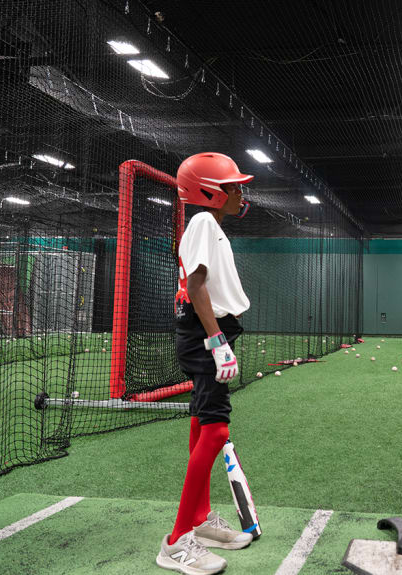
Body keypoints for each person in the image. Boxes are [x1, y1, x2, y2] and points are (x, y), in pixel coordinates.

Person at [156, 152, 255, 575]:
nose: (239, 192)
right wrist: (216, 341)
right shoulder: (201, 223)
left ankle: (200, 519)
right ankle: (178, 540)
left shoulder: (210, 225)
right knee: (216, 429)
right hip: (205, 333)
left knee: (201, 423)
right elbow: (195, 285)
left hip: (211, 330)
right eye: (232, 185)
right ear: (210, 191)